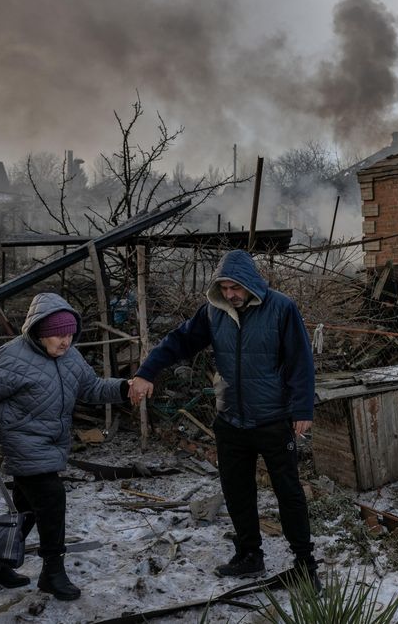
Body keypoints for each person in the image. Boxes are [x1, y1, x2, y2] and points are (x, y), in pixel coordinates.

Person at [128, 249, 319, 586]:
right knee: (237, 491)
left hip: (273, 418)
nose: (230, 294)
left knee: (288, 492)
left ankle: (305, 564)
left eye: (235, 287)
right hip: (230, 419)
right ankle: (249, 555)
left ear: (250, 283)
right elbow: (180, 341)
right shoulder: (213, 313)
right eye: (225, 287)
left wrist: (302, 408)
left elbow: (300, 361)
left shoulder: (281, 309)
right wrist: (147, 372)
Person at [0, 293, 131, 600]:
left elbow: (91, 388)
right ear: (40, 332)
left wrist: (125, 388)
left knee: (26, 508)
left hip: (51, 446)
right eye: (58, 334)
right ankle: (53, 573)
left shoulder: (70, 357)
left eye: (69, 333)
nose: (65, 341)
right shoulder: (10, 357)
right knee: (52, 499)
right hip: (22, 443)